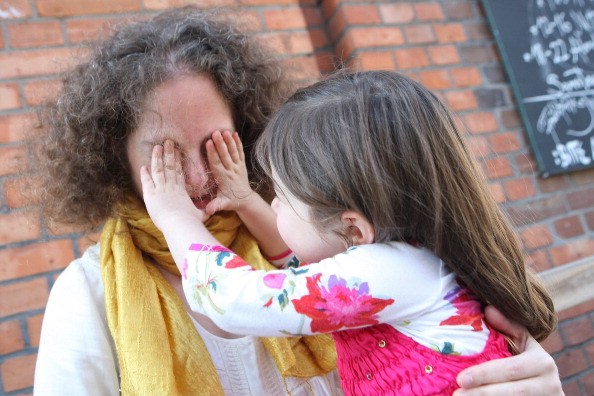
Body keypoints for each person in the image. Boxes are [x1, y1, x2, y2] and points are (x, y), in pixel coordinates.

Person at [30, 6, 563, 396]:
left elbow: (248, 290)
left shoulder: (327, 246)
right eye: (166, 155)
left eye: (215, 144)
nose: (195, 177)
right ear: (113, 161)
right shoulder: (89, 296)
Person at [140, 71, 558, 395]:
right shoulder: (404, 262)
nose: (274, 203)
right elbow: (295, 263)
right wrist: (246, 202)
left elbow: (235, 299)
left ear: (352, 228)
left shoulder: (387, 272)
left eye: (282, 196)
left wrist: (176, 218)